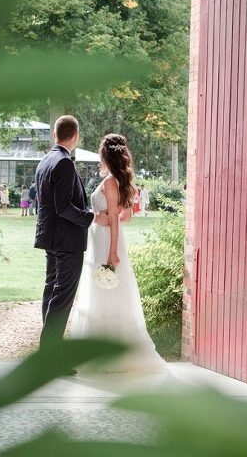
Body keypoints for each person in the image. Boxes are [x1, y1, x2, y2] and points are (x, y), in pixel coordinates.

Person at [69, 133, 168, 374]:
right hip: (101, 239)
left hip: (107, 243)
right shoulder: (114, 182)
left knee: (108, 291)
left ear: (106, 156)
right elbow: (125, 217)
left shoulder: (111, 183)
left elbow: (117, 218)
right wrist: (101, 218)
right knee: (101, 291)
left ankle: (111, 354)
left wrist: (112, 253)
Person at [34, 115, 109, 356]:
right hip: (67, 240)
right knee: (62, 296)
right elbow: (64, 207)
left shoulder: (45, 160)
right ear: (75, 135)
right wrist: (92, 217)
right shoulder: (64, 163)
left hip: (50, 237)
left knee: (52, 292)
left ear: (55, 134)